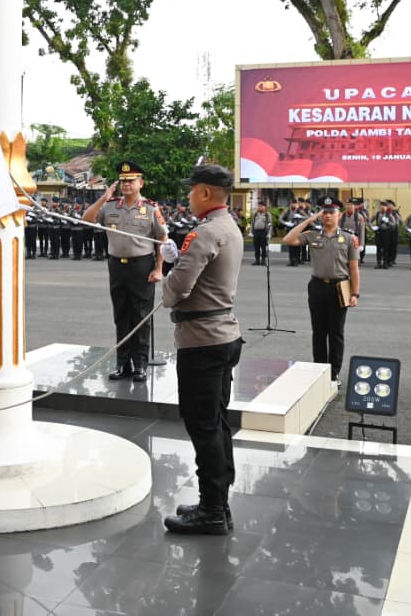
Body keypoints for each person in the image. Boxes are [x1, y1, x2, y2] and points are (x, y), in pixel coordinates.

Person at [159, 164, 244, 536]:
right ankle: (217, 502)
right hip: (222, 336)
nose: (189, 196)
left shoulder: (205, 232)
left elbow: (174, 291)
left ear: (206, 193)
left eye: (193, 190)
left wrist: (168, 264)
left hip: (202, 340)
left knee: (204, 425)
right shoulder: (228, 226)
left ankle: (212, 510)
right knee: (217, 423)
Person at [83, 160, 167, 382]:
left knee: (140, 317)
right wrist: (103, 196)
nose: (126, 184)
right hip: (116, 266)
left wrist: (159, 268)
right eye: (122, 181)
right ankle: (123, 364)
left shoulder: (150, 208)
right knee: (121, 316)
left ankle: (140, 365)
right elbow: (86, 219)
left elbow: (162, 238)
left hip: (141, 266)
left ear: (141, 183)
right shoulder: (110, 206)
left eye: (131, 181)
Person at [284, 196, 360, 388]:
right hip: (317, 287)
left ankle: (333, 374)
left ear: (338, 214)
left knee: (336, 333)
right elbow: (288, 239)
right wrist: (310, 219)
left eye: (331, 212)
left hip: (339, 288)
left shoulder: (349, 238)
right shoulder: (312, 235)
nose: (327, 216)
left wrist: (355, 293)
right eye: (324, 212)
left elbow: (354, 269)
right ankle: (319, 371)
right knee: (318, 332)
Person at [250, 201, 272, 265]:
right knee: (256, 247)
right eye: (259, 206)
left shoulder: (267, 214)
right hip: (256, 232)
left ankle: (263, 260)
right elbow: (252, 223)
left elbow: (270, 224)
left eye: (261, 206)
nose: (260, 207)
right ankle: (257, 260)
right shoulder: (255, 214)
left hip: (264, 232)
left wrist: (269, 233)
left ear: (265, 207)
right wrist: (251, 232)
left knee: (263, 247)